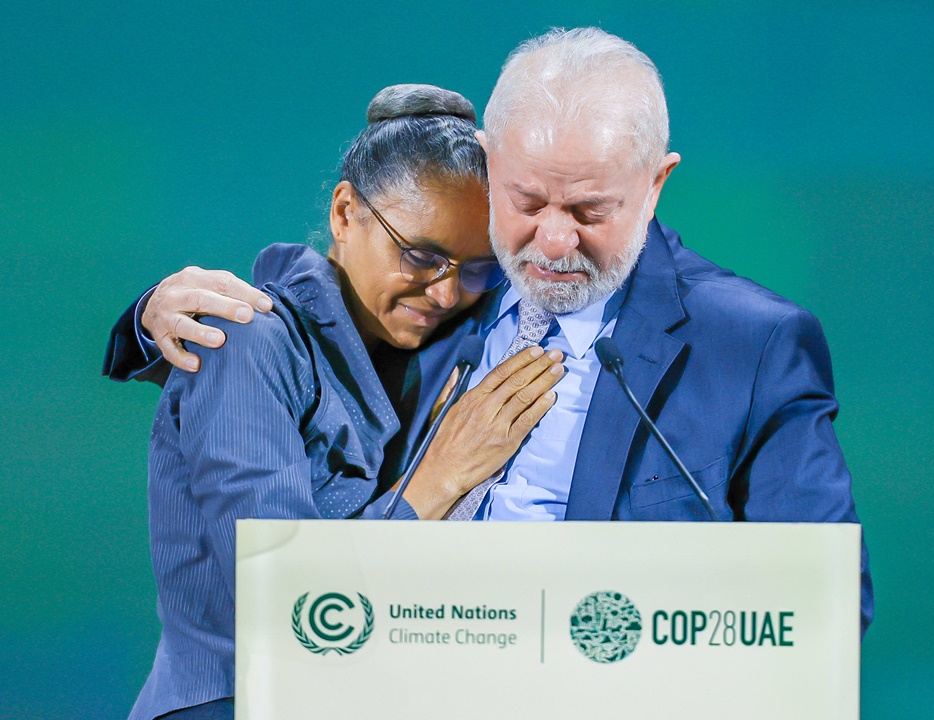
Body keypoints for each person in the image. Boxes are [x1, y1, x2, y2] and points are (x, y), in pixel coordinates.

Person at [107, 29, 872, 637]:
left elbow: (825, 604)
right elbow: (302, 325)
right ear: (491, 170)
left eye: (590, 210)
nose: (553, 242)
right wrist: (149, 316)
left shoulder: (752, 345)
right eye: (527, 199)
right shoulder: (451, 288)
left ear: (655, 184)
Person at [116, 84, 567, 720]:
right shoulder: (247, 342)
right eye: (421, 256)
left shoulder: (447, 340)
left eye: (476, 268)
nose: (445, 294)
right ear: (345, 213)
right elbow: (280, 602)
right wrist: (440, 478)